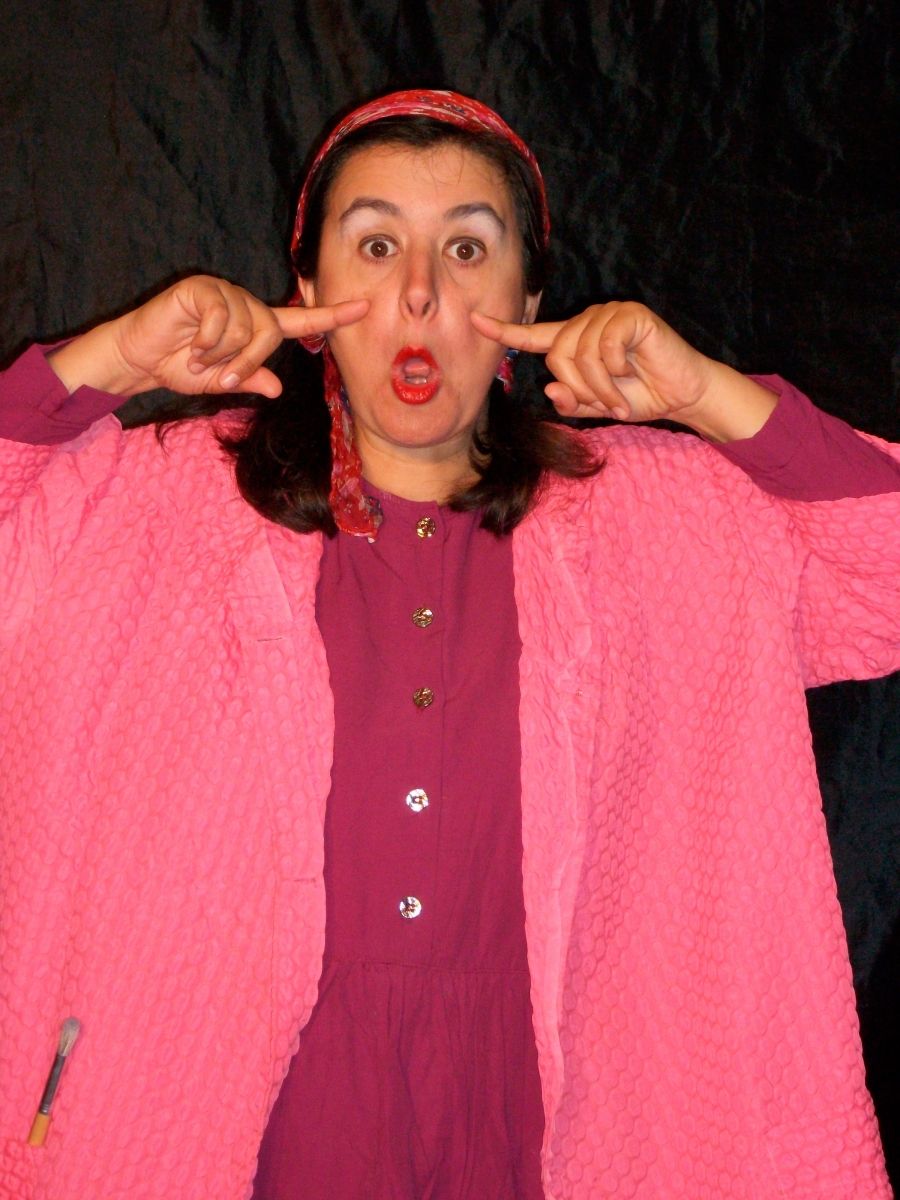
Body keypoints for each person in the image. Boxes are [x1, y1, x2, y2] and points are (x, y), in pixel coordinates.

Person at [1, 89, 898, 1200]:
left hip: (564, 1107)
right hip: (240, 1111)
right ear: (309, 293)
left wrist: (705, 396)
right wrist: (114, 360)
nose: (419, 291)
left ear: (528, 299)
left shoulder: (664, 515)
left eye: (467, 249)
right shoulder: (159, 501)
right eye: (376, 245)